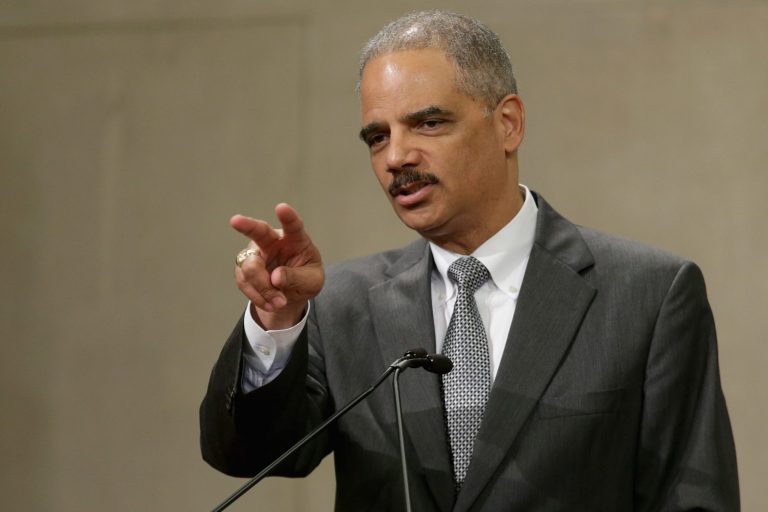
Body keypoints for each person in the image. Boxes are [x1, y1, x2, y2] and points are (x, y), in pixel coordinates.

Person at [200, 11, 739, 511]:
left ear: (508, 124)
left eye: (428, 123)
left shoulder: (648, 294)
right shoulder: (340, 304)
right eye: (377, 136)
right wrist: (276, 319)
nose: (396, 158)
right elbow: (248, 454)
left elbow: (693, 497)